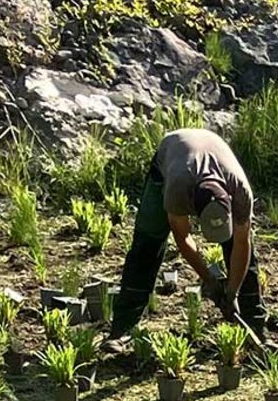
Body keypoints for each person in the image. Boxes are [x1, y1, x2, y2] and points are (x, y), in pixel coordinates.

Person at [106, 128, 264, 343]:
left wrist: (232, 291)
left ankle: (256, 326)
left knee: (238, 249)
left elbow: (242, 244)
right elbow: (183, 238)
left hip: (212, 148)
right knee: (147, 244)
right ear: (194, 211)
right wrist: (211, 282)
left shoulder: (240, 192)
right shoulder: (177, 188)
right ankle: (122, 330)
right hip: (172, 154)